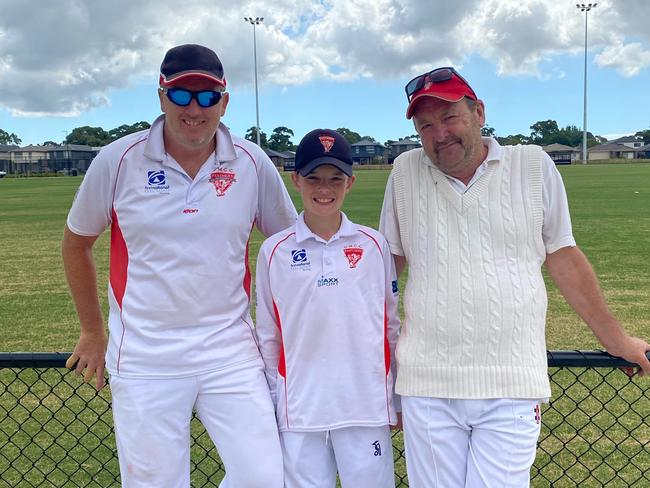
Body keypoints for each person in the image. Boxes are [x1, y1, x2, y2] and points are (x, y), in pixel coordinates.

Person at [379, 66, 650, 488]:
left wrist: (616, 341)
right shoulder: (405, 171)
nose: (439, 134)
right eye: (425, 125)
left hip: (510, 383)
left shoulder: (532, 164)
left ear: (479, 112)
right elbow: (384, 269)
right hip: (427, 383)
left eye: (450, 117)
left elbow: (563, 256)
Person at [62, 43, 297, 487]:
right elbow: (76, 244)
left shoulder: (252, 162)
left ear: (224, 100)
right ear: (161, 96)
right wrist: (92, 331)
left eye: (208, 96)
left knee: (265, 477)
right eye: (182, 95)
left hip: (229, 350)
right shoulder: (117, 160)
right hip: (145, 354)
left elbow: (287, 245)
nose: (195, 108)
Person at [255, 129, 400, 488]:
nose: (324, 188)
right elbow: (268, 335)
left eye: (335, 179)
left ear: (350, 183)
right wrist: (276, 400)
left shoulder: (374, 245)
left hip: (365, 405)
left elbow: (390, 324)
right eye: (314, 178)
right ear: (295, 180)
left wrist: (395, 395)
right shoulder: (274, 251)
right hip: (301, 408)